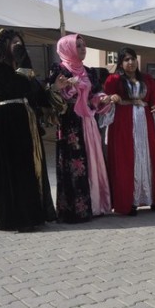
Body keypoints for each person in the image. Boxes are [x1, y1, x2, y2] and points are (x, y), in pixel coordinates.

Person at [0, 28, 55, 231]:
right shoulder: (0, 69)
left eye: (20, 43)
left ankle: (34, 214)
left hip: (25, 120)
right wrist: (24, 63)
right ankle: (19, 218)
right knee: (15, 168)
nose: (18, 46)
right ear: (4, 46)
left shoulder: (20, 68)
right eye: (14, 43)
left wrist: (53, 91)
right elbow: (19, 87)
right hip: (9, 121)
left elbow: (35, 92)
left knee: (30, 166)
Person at [48, 34, 111, 223]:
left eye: (83, 45)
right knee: (74, 164)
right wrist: (62, 88)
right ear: (67, 48)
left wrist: (103, 99)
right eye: (78, 46)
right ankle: (74, 210)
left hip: (88, 122)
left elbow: (94, 95)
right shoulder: (59, 69)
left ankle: (95, 205)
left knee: (92, 161)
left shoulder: (89, 71)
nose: (83, 49)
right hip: (70, 125)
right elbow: (51, 98)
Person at [103, 47, 155, 216]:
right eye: (126, 59)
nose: (131, 62)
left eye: (133, 58)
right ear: (120, 63)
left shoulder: (147, 79)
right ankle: (129, 202)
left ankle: (154, 199)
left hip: (145, 122)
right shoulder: (113, 80)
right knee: (127, 159)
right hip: (123, 124)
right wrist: (111, 98)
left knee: (148, 157)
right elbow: (104, 99)